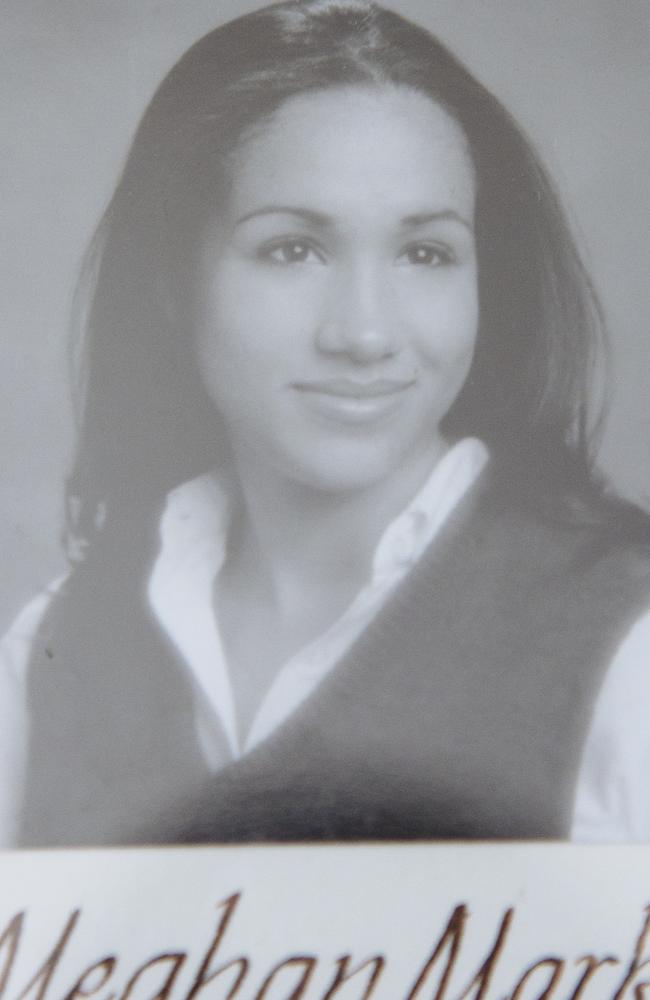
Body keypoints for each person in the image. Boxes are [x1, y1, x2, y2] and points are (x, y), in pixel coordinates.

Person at [1, 0, 649, 848]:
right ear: (171, 281)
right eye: (292, 249)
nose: (365, 334)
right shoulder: (53, 647)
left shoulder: (625, 636)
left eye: (426, 254)